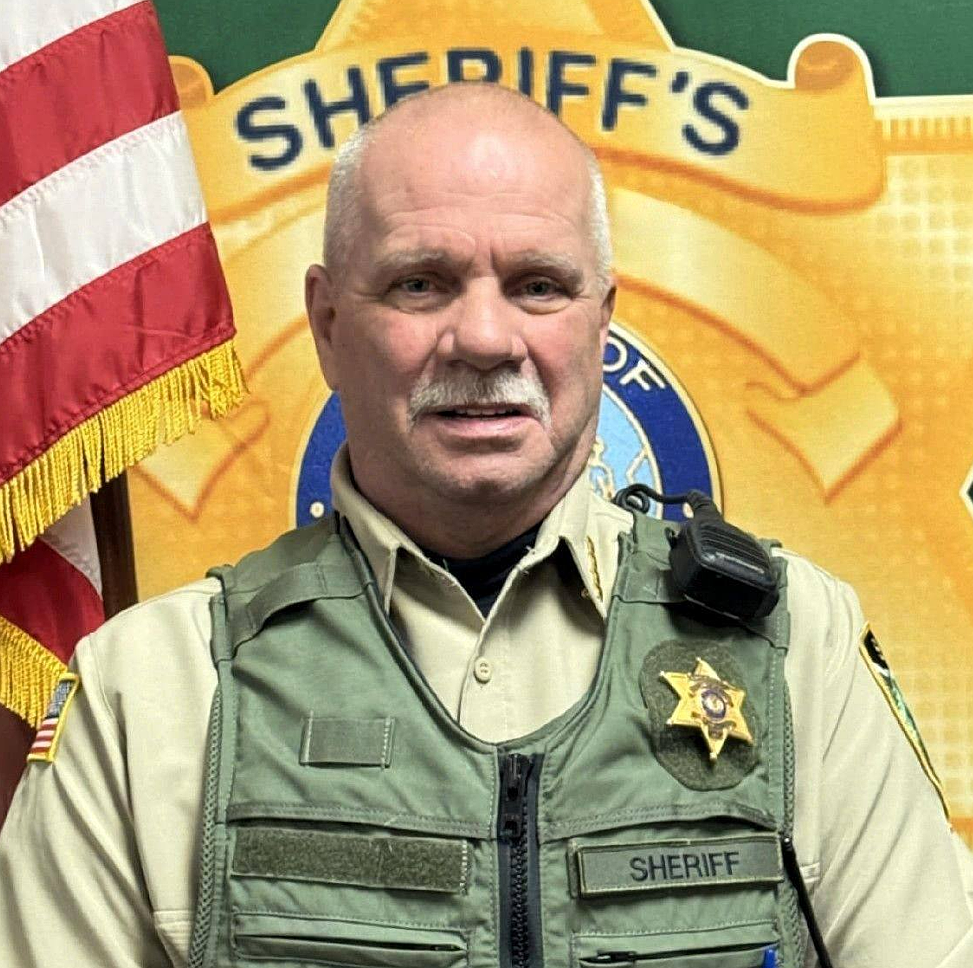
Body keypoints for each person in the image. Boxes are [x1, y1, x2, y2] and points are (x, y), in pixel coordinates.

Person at [0, 82, 971, 968]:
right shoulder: (153, 689)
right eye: (420, 282)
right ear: (328, 323)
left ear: (601, 320)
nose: (484, 338)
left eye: (538, 284)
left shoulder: (795, 649)